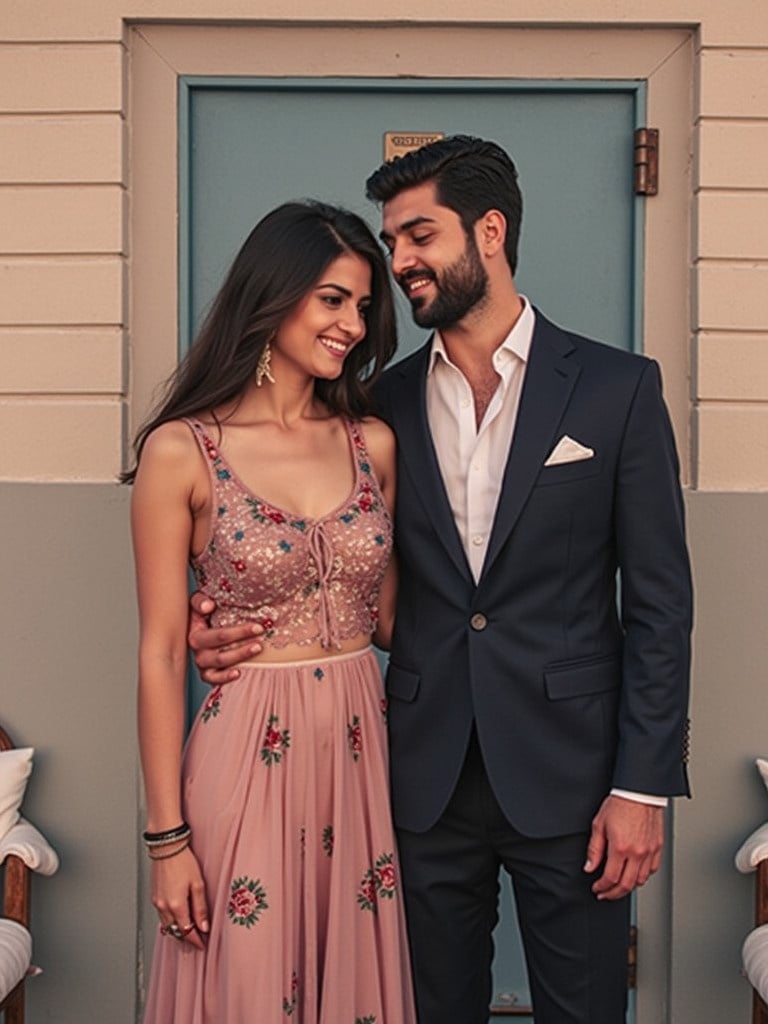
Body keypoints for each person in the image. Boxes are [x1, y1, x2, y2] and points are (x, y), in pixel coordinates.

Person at [189, 136, 693, 1024]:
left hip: (575, 782)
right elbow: (334, 569)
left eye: (419, 235)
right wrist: (225, 620)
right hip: (416, 782)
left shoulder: (617, 390)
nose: (401, 261)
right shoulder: (375, 407)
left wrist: (640, 787)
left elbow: (659, 606)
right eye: (392, 242)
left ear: (490, 231)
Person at [126, 200, 416, 1024]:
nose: (352, 324)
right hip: (245, 754)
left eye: (363, 305)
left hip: (362, 752)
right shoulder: (184, 450)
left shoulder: (372, 443)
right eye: (332, 299)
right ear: (273, 294)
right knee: (248, 987)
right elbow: (156, 653)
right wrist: (166, 841)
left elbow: (392, 621)